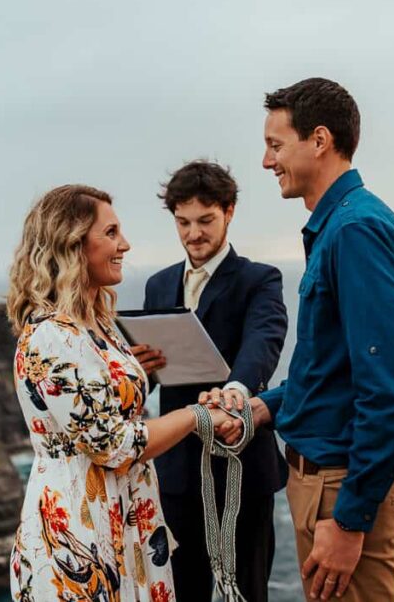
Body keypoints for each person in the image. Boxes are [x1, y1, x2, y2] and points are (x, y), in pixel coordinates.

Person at [205, 78, 394, 601]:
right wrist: (259, 408)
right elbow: (332, 374)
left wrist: (351, 519)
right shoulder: (343, 226)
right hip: (331, 481)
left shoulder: (354, 232)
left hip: (343, 487)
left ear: (319, 140)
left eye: (275, 145)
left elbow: (392, 392)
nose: (266, 162)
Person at [6, 184, 235, 602]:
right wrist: (196, 416)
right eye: (110, 233)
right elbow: (112, 445)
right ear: (73, 243)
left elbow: (94, 403)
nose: (124, 244)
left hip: (126, 517)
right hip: (79, 529)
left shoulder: (99, 323)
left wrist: (130, 374)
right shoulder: (50, 337)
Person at [132, 161, 288, 602]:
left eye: (205, 221)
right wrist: (140, 371)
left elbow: (264, 340)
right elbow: (152, 379)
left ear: (229, 212)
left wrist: (237, 392)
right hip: (178, 470)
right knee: (181, 592)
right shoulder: (158, 284)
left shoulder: (260, 279)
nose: (193, 234)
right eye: (183, 222)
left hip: (242, 463)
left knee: (248, 592)